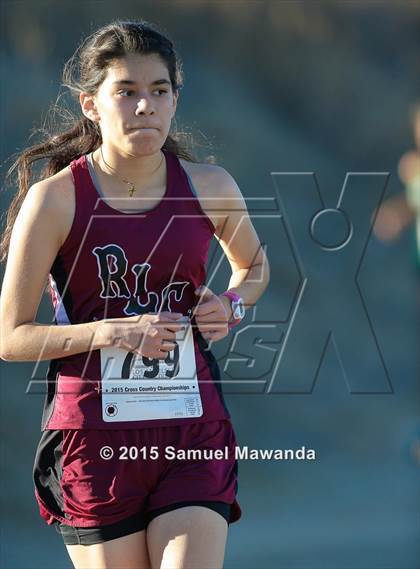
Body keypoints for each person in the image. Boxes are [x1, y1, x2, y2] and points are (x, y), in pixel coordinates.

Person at [0, 19, 270, 569]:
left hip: (191, 429)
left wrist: (232, 305)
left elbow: (255, 268)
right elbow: (11, 337)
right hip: (92, 438)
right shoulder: (56, 201)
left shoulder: (209, 185)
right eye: (125, 91)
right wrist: (111, 332)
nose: (144, 105)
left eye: (158, 90)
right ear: (92, 105)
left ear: (174, 100)